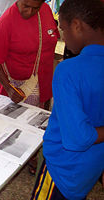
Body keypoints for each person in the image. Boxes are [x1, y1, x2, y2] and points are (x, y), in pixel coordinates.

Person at [31, 0, 104, 199]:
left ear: (77, 25)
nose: (62, 35)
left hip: (62, 170)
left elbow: (78, 138)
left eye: (62, 28)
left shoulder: (68, 71)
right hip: (91, 167)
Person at [0, 0, 59, 109]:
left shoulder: (46, 10)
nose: (29, 11)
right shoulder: (7, 21)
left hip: (44, 86)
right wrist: (8, 88)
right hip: (17, 92)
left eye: (35, 8)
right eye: (26, 6)